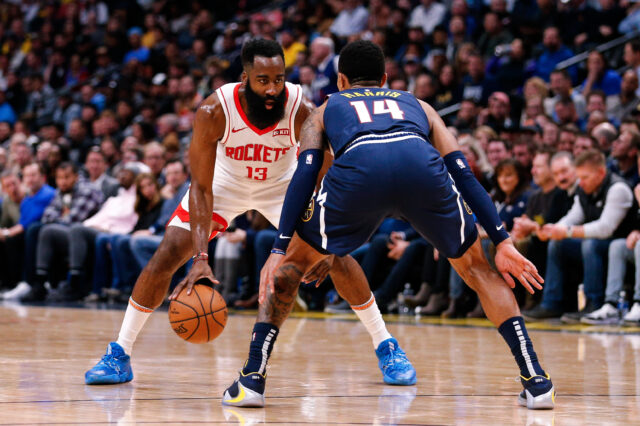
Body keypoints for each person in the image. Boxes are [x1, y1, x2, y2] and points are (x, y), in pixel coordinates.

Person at [85, 39, 414, 389]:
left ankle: (387, 347)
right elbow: (200, 187)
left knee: (339, 258)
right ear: (245, 78)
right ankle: (119, 353)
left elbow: (323, 172)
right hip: (225, 184)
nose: (273, 88)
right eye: (263, 80)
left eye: (279, 78)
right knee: (167, 253)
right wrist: (200, 256)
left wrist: (319, 241)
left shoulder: (299, 106)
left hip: (284, 185)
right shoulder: (214, 110)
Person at [243, 40, 555, 410]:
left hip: (360, 173)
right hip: (421, 169)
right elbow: (462, 172)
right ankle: (536, 380)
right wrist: (501, 240)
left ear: (341, 80)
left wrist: (280, 248)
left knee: (292, 267)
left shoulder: (327, 109)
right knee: (478, 269)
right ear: (386, 78)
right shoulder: (418, 104)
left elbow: (306, 173)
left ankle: (252, 380)